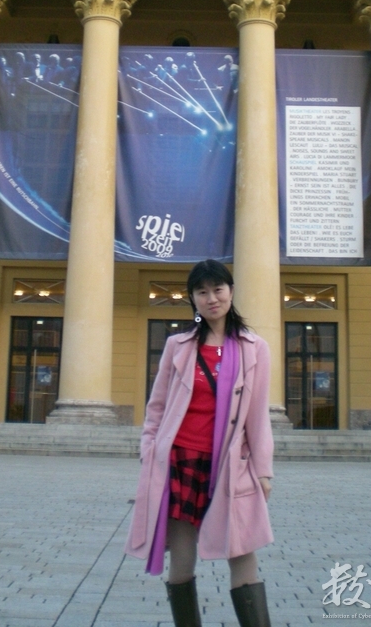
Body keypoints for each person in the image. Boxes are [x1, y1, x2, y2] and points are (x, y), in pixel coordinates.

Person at [125, 259, 274, 627]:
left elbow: (258, 416)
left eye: (218, 289)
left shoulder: (254, 348)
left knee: (242, 552)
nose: (212, 298)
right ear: (192, 298)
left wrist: (263, 470)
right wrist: (149, 451)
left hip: (229, 464)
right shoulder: (178, 346)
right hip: (180, 462)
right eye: (202, 292)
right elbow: (157, 407)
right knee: (182, 558)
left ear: (231, 292)